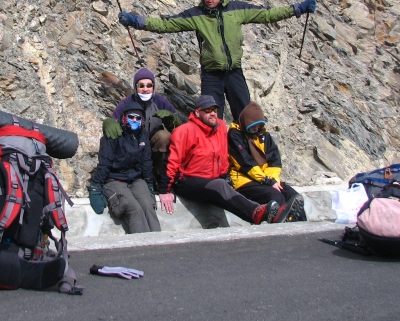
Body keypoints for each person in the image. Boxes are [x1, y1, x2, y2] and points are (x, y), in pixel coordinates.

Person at [119, 0, 316, 122]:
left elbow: (268, 14)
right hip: (211, 76)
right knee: (212, 119)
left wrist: (297, 8)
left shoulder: (237, 9)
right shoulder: (196, 15)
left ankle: (251, 162)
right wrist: (137, 21)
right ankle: (218, 166)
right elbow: (166, 24)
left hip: (234, 73)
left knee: (247, 116)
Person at [161, 95, 289, 225]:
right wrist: (164, 191)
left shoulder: (220, 127)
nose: (212, 114)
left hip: (213, 180)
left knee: (229, 185)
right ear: (197, 113)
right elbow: (172, 162)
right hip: (187, 181)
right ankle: (255, 213)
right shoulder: (184, 131)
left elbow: (223, 156)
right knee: (220, 185)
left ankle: (280, 215)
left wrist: (225, 176)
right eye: (207, 110)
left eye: (214, 110)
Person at [88, 102, 161, 234]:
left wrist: (149, 183)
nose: (134, 120)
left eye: (138, 118)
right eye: (131, 117)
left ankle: (160, 244)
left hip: (135, 179)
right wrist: (96, 186)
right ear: (123, 117)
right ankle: (143, 246)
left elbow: (146, 161)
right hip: (115, 179)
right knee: (133, 208)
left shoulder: (143, 135)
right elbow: (105, 162)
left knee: (147, 205)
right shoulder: (114, 135)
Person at [103, 67, 180, 191]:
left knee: (165, 137)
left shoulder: (161, 102)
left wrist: (172, 119)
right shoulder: (127, 102)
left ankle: (159, 176)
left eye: (149, 85)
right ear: (136, 86)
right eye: (141, 85)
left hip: (154, 146)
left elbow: (179, 127)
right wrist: (109, 123)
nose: (145, 89)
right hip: (134, 145)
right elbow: (115, 119)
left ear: (153, 87)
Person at [228, 101, 306, 222]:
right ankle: (283, 224)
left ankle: (301, 226)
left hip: (265, 179)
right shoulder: (235, 135)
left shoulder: (264, 134)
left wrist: (271, 179)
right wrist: (267, 181)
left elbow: (274, 160)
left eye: (259, 126)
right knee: (275, 196)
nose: (257, 129)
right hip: (245, 180)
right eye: (253, 126)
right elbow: (245, 163)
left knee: (293, 195)